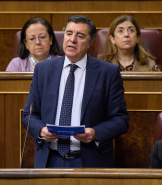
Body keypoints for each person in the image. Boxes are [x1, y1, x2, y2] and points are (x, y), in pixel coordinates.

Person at [22, 15, 129, 168]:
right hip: (50, 160)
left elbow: (121, 119)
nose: (72, 39)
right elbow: (28, 114)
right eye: (69, 33)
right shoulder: (43, 70)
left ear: (90, 42)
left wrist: (95, 133)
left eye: (80, 36)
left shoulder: (108, 73)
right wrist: (40, 130)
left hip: (89, 160)